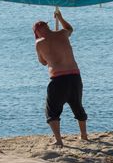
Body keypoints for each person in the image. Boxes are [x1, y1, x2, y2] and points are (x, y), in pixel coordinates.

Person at [33, 9, 88, 146]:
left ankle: (58, 140)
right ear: (48, 26)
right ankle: (84, 135)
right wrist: (61, 18)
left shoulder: (39, 43)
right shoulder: (63, 34)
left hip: (58, 79)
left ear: (37, 33)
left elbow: (43, 62)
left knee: (52, 111)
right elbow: (69, 28)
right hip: (75, 76)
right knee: (77, 106)